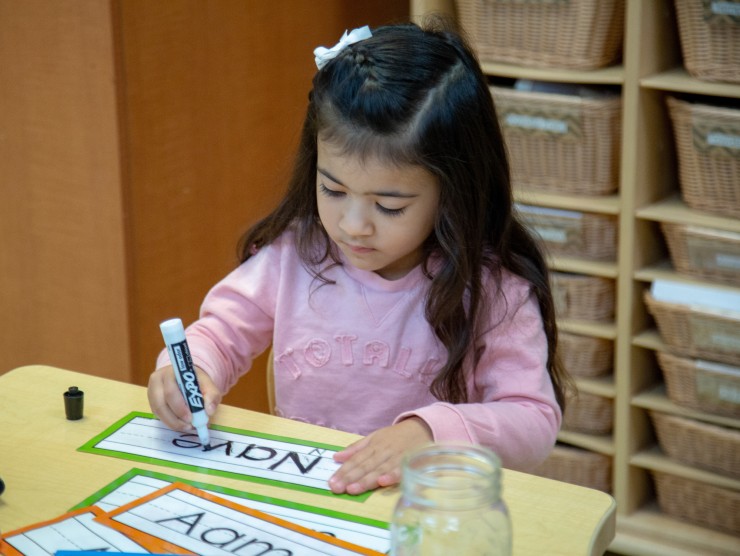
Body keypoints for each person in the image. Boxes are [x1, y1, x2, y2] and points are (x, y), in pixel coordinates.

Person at [148, 18, 571, 496]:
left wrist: (429, 434)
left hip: (424, 509)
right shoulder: (297, 254)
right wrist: (191, 371)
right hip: (307, 496)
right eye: (333, 189)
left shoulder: (492, 287)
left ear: (454, 191)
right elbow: (220, 334)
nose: (353, 225)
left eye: (389, 206)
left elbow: (533, 421)